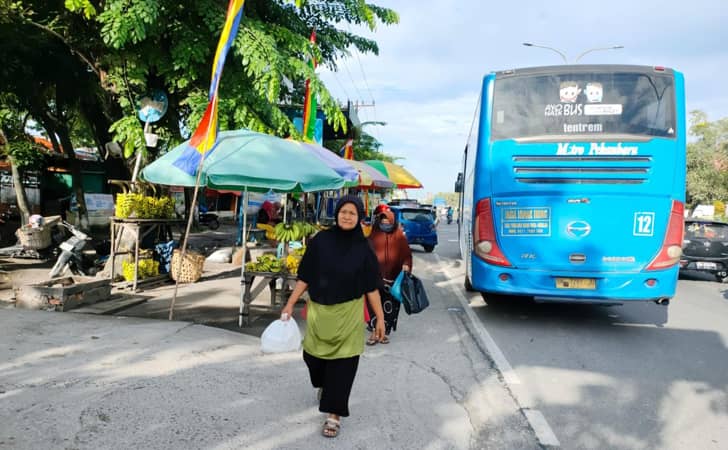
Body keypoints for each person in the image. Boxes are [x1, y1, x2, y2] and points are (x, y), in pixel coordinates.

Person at [281, 195, 386, 438]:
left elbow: (371, 288)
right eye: (343, 212)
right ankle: (323, 386)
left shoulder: (364, 249)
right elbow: (305, 276)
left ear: (359, 217)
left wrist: (379, 319)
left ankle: (334, 415)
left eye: (352, 213)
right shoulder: (321, 241)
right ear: (336, 214)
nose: (347, 216)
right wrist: (289, 304)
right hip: (319, 311)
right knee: (312, 359)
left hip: (349, 314)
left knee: (343, 365)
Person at [366, 204, 412, 345]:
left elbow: (407, 255)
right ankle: (375, 332)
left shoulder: (400, 238)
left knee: (389, 308)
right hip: (374, 279)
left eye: (388, 223)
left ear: (393, 223)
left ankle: (384, 333)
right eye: (382, 222)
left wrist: (406, 265)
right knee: (373, 306)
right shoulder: (372, 236)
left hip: (394, 280)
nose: (385, 225)